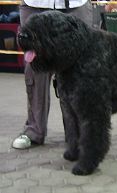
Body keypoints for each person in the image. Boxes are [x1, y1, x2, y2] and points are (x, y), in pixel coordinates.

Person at [12, 0, 93, 149]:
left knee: (78, 69)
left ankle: (77, 134)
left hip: (75, 5)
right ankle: (34, 131)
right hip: (34, 5)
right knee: (35, 67)